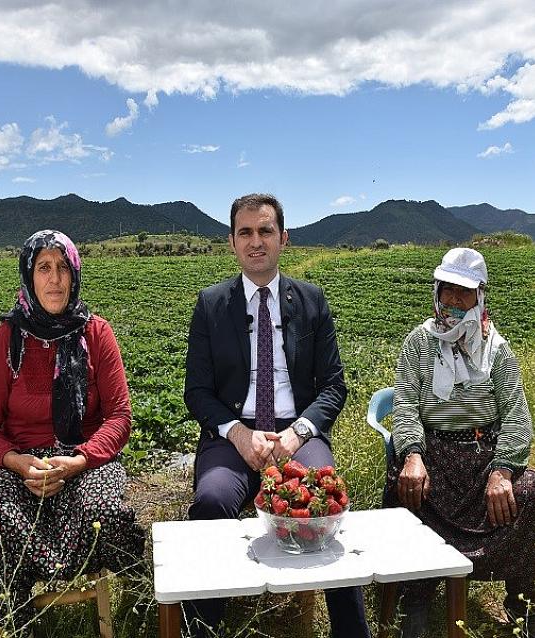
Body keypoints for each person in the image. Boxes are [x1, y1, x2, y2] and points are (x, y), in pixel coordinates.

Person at [183, 194, 370, 638]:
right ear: (232, 242)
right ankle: (204, 628)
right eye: (245, 232)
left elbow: (333, 386)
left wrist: (299, 433)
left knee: (324, 504)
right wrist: (237, 434)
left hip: (297, 435)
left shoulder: (311, 301)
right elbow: (197, 392)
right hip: (232, 438)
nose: (256, 242)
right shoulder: (211, 305)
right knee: (211, 500)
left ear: (283, 239)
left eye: (265, 231)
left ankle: (350, 631)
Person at [0, 230, 144, 634]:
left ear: (75, 273)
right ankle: (18, 620)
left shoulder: (96, 334)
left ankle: (134, 583)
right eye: (44, 267)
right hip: (18, 462)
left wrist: (79, 460)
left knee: (106, 514)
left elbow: (119, 417)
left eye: (63, 267)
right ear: (29, 276)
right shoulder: (5, 340)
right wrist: (17, 462)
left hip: (82, 454)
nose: (55, 279)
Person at [385, 247, 535, 638]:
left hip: (483, 457)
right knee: (401, 491)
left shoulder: (497, 350)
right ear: (436, 291)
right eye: (448, 290)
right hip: (434, 455)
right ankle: (417, 593)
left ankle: (523, 607)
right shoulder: (418, 344)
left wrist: (503, 470)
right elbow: (406, 404)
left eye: (465, 292)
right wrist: (412, 454)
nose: (455, 299)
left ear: (481, 296)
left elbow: (516, 415)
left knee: (529, 496)